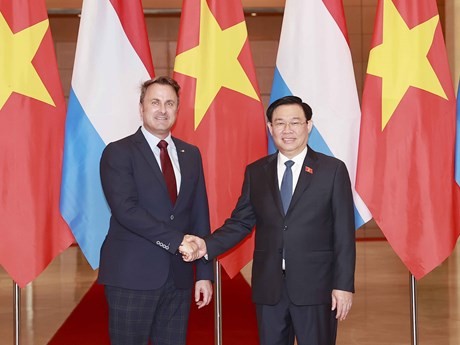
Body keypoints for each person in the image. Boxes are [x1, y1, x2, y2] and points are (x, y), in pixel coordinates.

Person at [181, 95, 355, 345]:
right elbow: (240, 223)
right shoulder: (257, 172)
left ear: (309, 126)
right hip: (269, 289)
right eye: (280, 123)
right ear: (270, 128)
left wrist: (343, 285)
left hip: (316, 289)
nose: (287, 130)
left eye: (295, 122)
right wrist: (205, 245)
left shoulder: (332, 170)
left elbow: (343, 233)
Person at [98, 76, 213, 345]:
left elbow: (199, 214)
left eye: (170, 103)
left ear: (177, 109)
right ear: (141, 108)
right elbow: (126, 210)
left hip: (179, 277)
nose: (163, 109)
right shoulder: (118, 152)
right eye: (155, 102)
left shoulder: (191, 154)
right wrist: (177, 241)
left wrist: (204, 274)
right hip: (131, 276)